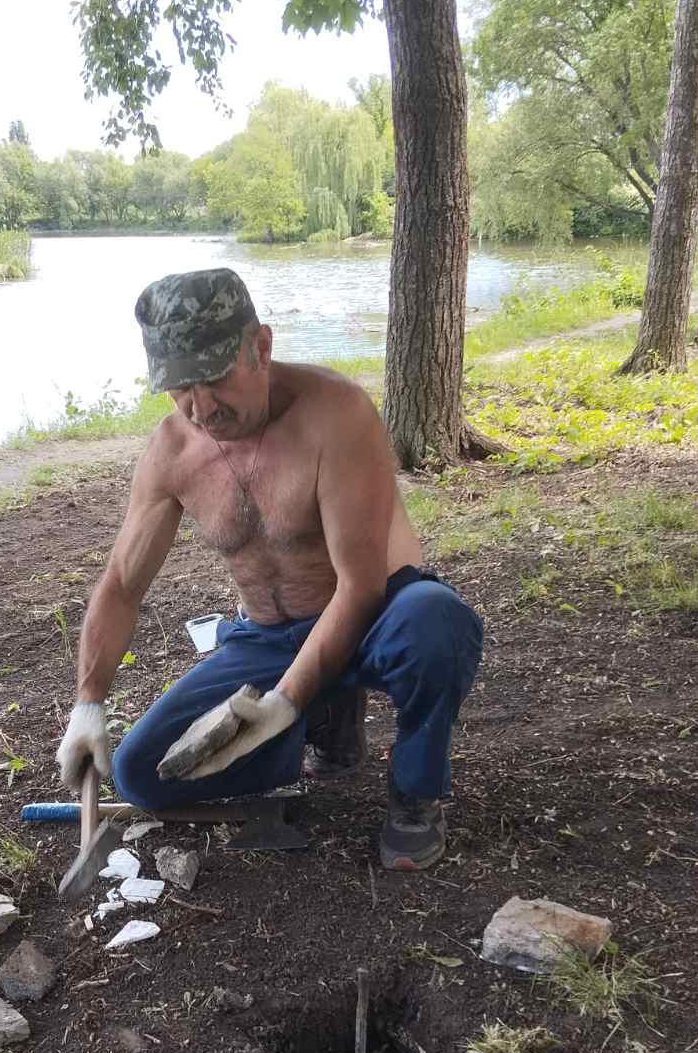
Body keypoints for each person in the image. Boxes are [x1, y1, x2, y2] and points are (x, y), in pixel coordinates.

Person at [54, 268, 483, 871]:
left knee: (437, 621)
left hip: (376, 615)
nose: (202, 408)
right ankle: (319, 719)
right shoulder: (172, 451)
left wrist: (282, 700)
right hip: (267, 636)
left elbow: (360, 586)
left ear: (260, 348)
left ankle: (415, 793)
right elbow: (123, 584)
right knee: (139, 775)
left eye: (215, 379)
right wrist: (89, 705)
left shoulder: (335, 413)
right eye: (180, 388)